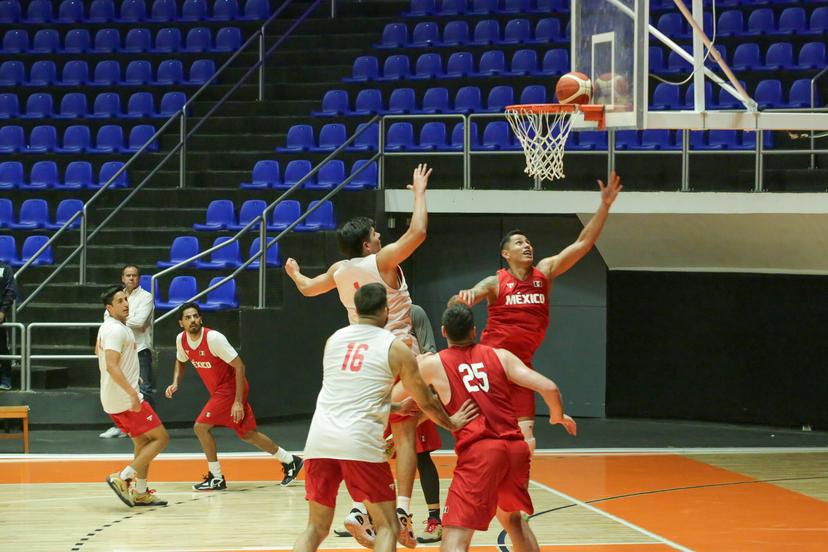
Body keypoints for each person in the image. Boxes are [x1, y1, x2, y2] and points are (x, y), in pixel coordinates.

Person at [285, 164, 432, 544]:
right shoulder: (381, 262)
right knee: (405, 432)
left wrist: (295, 273)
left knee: (368, 431)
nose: (380, 236)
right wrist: (419, 191)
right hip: (396, 352)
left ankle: (360, 510)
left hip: (360, 360)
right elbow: (418, 233)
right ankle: (399, 510)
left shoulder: (338, 271)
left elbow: (307, 289)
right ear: (367, 245)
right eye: (376, 234)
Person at [293, 284, 478, 552]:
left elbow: (350, 394)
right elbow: (425, 400)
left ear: (355, 309)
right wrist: (451, 422)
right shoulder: (396, 347)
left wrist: (394, 407)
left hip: (319, 440)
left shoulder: (333, 339)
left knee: (315, 528)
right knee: (387, 526)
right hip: (359, 442)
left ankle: (356, 511)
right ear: (386, 311)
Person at [451, 172, 621, 453]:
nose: (526, 245)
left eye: (528, 242)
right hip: (493, 364)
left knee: (526, 439)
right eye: (519, 243)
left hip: (521, 367)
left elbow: (583, 244)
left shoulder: (545, 272)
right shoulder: (496, 283)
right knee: (485, 434)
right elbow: (462, 301)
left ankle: (514, 492)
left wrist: (604, 207)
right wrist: (464, 298)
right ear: (506, 254)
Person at [404, 304, 577, 550]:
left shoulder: (433, 364)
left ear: (443, 332)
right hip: (515, 450)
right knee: (512, 520)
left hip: (481, 453)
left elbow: (398, 396)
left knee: (456, 532)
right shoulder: (500, 355)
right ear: (474, 331)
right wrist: (556, 416)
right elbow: (549, 388)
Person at [165, 302, 303, 490]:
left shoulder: (214, 338)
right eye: (188, 318)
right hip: (220, 391)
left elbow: (239, 366)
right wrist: (175, 383)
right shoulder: (181, 340)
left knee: (200, 427)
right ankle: (291, 460)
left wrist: (238, 401)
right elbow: (180, 362)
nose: (193, 320)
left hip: (230, 389)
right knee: (248, 434)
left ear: (201, 319)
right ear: (181, 323)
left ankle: (216, 477)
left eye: (196, 316)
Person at [97, 284, 169, 507]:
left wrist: (131, 374)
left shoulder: (109, 327)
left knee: (142, 442)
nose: (126, 303)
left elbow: (100, 355)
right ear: (109, 307)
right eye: (119, 301)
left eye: (126, 299)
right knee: (161, 439)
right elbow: (110, 365)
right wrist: (131, 393)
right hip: (124, 399)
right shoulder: (116, 330)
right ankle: (123, 477)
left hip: (113, 397)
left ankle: (140, 492)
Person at [100, 265, 155, 438]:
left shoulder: (146, 297)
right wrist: (131, 320)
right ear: (123, 278)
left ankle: (144, 426)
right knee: (119, 386)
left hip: (140, 349)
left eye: (135, 275)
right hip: (120, 351)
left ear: (139, 278)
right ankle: (122, 427)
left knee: (144, 389)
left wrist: (123, 318)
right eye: (128, 275)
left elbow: (140, 322)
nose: (131, 278)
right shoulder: (116, 296)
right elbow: (109, 318)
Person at [0, 261, 18, 391]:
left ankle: (5, 380)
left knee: (1, 348)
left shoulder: (4, 269)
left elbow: (11, 291)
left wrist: (2, 311)